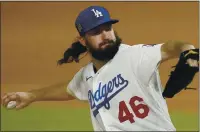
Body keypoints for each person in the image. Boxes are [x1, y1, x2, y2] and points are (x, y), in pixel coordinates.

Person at [2, 6, 199, 131]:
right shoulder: (87, 76)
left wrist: (187, 49)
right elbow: (69, 89)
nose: (105, 35)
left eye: (108, 28)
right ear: (82, 39)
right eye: (96, 32)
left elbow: (168, 47)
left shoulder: (134, 56)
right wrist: (31, 95)